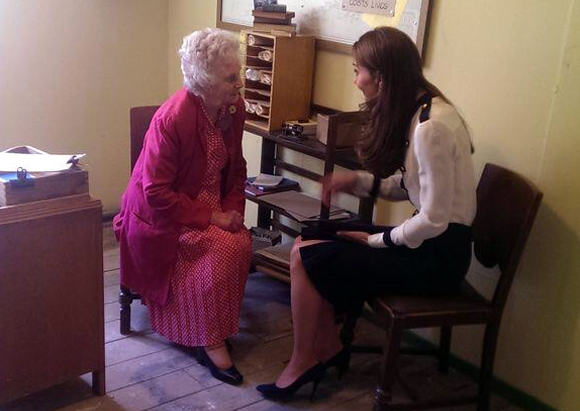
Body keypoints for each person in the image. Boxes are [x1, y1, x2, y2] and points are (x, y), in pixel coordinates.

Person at [256, 26, 477, 400]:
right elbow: (412, 186)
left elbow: (435, 220)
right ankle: (322, 348)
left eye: (358, 70)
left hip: (438, 259)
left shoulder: (430, 128)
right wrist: (356, 181)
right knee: (313, 235)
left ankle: (307, 358)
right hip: (428, 242)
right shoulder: (423, 112)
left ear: (383, 78)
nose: (356, 80)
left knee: (308, 251)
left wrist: (377, 240)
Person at [113, 28, 251, 386]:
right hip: (161, 213)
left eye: (239, 74)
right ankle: (207, 338)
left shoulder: (233, 110)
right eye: (231, 78)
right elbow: (155, 192)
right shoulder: (173, 118)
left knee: (239, 240)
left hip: (210, 205)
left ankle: (215, 323)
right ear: (204, 82)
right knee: (220, 248)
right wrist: (214, 216)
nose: (239, 85)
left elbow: (237, 170)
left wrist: (233, 210)